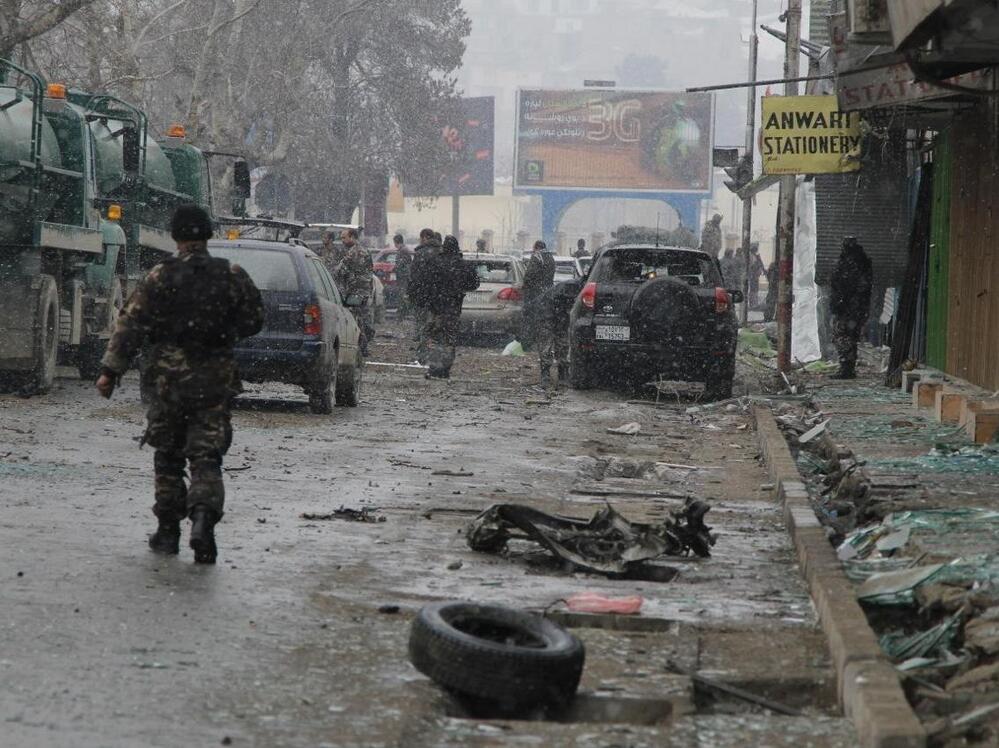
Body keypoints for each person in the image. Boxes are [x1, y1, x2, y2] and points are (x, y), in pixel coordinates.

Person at [95, 205, 263, 564]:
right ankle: (203, 518)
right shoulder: (231, 275)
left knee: (168, 456)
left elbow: (130, 325)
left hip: (168, 382)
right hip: (214, 381)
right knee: (206, 455)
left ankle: (168, 531)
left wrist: (110, 371)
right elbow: (254, 320)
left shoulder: (160, 276)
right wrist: (221, 333)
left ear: (176, 236)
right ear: (208, 235)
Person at [410, 235, 479, 379]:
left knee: (435, 338)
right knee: (449, 339)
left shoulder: (435, 263)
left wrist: (425, 299)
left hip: (436, 307)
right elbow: (474, 283)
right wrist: (459, 288)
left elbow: (424, 282)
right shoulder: (462, 265)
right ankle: (445, 369)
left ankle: (435, 367)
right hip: (453, 307)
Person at [829, 236, 873, 380]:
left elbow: (845, 285)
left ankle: (846, 367)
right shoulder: (861, 262)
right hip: (854, 308)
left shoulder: (850, 264)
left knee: (843, 336)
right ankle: (847, 367)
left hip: (848, 308)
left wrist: (842, 302)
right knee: (848, 337)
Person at [334, 228, 375, 355]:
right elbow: (370, 271)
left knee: (356, 318)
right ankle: (365, 342)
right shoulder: (365, 251)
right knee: (362, 317)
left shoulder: (353, 252)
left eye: (344, 238)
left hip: (354, 291)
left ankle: (362, 345)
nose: (342, 241)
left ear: (352, 237)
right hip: (364, 290)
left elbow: (339, 272)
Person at [534, 280, 578, 388]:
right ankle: (545, 375)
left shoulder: (578, 287)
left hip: (560, 315)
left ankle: (563, 374)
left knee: (563, 344)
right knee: (546, 345)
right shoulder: (571, 287)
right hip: (547, 314)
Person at [407, 228, 442, 361]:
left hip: (422, 294)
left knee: (423, 324)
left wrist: (411, 293)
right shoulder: (441, 252)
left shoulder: (420, 253)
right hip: (439, 295)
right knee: (437, 325)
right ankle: (438, 353)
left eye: (420, 238)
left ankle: (423, 352)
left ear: (425, 237)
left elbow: (413, 276)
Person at [522, 240, 556, 349]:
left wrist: (526, 286)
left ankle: (527, 343)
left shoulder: (537, 256)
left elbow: (530, 274)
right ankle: (543, 342)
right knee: (544, 317)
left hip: (535, 292)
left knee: (530, 316)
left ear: (536, 247)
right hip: (547, 290)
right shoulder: (550, 257)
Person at [393, 234, 413, 320]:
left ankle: (401, 315)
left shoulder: (403, 250)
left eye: (394, 242)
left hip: (403, 278)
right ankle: (402, 315)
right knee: (402, 297)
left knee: (402, 297)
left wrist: (396, 268)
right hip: (403, 278)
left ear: (396, 242)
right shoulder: (403, 250)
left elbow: (403, 264)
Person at [748, 243, 766, 308]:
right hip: (753, 275)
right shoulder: (751, 256)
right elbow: (753, 266)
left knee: (755, 289)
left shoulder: (755, 256)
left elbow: (759, 265)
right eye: (755, 249)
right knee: (753, 289)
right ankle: (753, 303)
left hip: (755, 275)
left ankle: (754, 303)